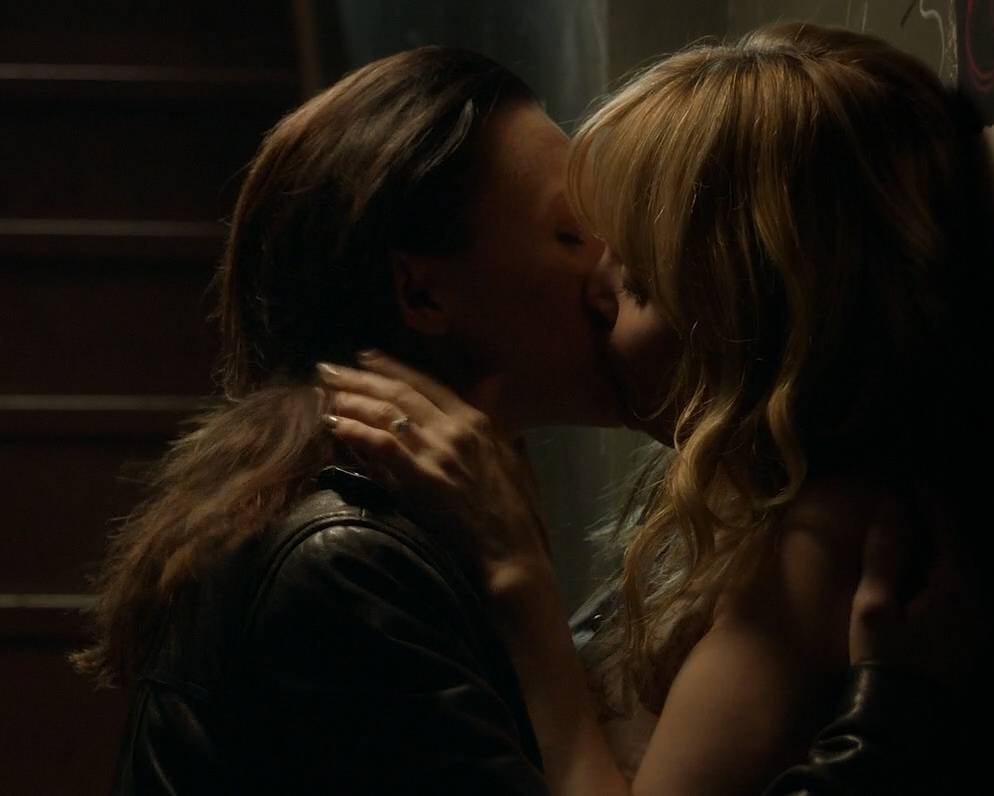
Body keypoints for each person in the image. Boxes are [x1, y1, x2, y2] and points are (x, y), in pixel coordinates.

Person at [319, 24, 994, 794]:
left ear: (754, 319)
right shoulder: (755, 505)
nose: (596, 289)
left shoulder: (822, 543)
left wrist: (520, 578)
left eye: (639, 281)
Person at [74, 46, 614, 795]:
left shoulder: (387, 525)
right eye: (570, 235)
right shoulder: (346, 565)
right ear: (421, 294)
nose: (610, 269)